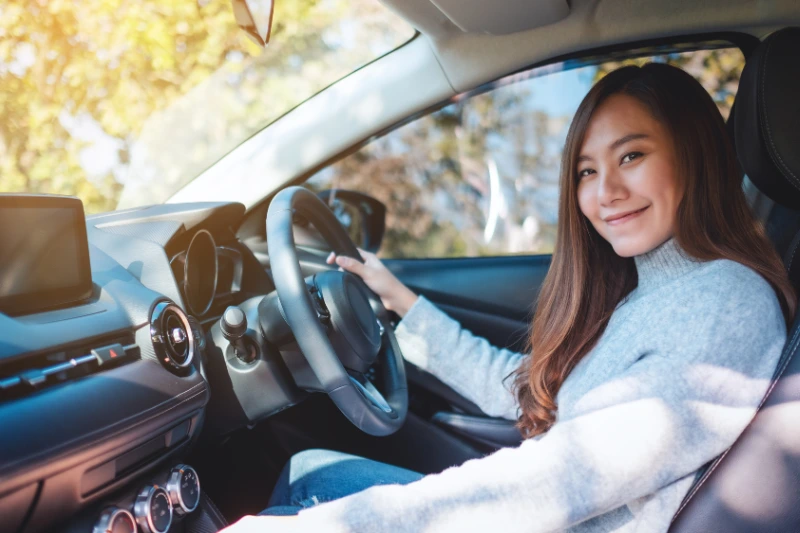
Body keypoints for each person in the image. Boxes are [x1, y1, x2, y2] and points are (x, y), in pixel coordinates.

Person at [221, 63, 796, 532]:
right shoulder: (653, 293)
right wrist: (404, 305)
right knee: (310, 471)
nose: (605, 193)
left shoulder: (725, 299)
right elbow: (536, 393)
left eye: (631, 156)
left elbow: (562, 481)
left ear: (693, 155)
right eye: (585, 172)